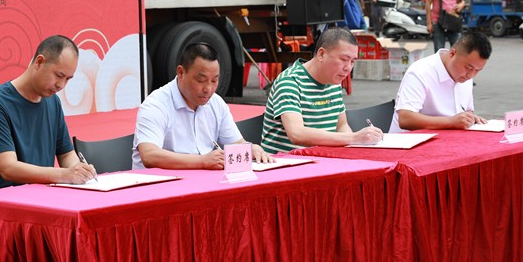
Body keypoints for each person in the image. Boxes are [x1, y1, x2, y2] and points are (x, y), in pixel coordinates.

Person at [0, 35, 96, 190]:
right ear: (39, 62)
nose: (61, 85)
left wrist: (79, 172)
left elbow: (66, 154)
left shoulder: (53, 102)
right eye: (59, 75)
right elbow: (8, 168)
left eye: (68, 79)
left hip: (35, 195)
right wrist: (65, 174)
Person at [133, 42, 270, 169]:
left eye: (214, 81)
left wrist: (250, 149)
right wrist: (202, 161)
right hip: (162, 183)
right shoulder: (156, 105)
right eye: (201, 80)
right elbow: (150, 155)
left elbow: (236, 143)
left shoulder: (216, 103)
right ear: (180, 72)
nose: (208, 89)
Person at [261, 27, 383, 154]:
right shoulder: (290, 82)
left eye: (352, 61)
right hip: (286, 162)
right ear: (321, 54)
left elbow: (341, 126)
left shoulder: (333, 82)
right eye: (343, 59)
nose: (348, 67)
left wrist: (352, 149)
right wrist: (354, 138)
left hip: (321, 159)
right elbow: (296, 134)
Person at [389, 30, 491, 132]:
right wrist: (451, 122)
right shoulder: (420, 72)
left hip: (446, 136)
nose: (471, 75)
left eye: (477, 70)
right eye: (468, 67)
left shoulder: (466, 76)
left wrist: (469, 118)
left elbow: (467, 110)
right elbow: (405, 119)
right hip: (411, 139)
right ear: (452, 53)